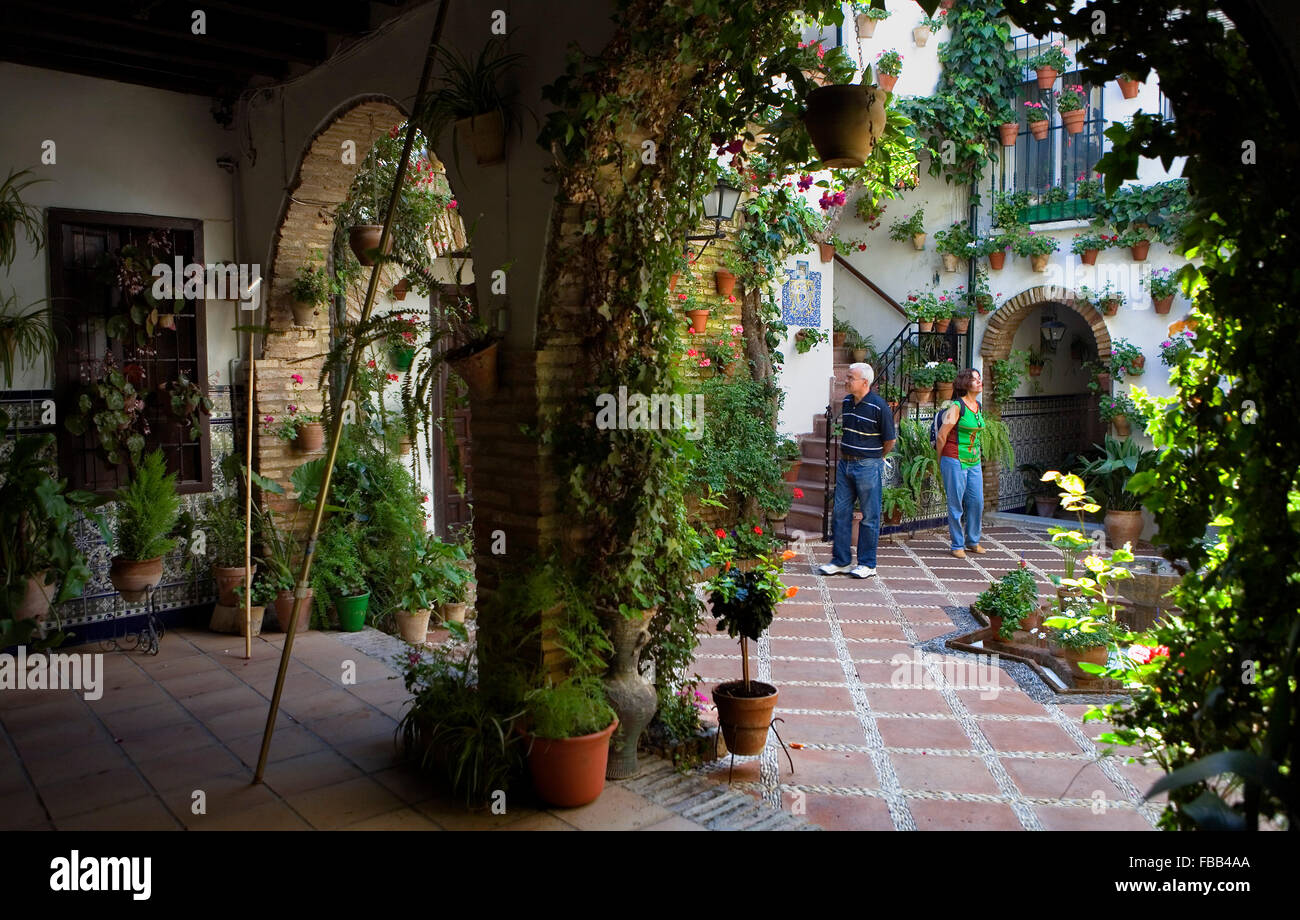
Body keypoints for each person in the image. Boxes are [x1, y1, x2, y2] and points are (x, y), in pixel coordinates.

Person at [820, 363, 896, 579]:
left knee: (869, 516)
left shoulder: (879, 407)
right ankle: (841, 561)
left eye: (850, 377)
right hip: (845, 464)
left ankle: (867, 564)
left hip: (868, 465)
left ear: (865, 382)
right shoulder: (846, 402)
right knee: (840, 512)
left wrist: (876, 456)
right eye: (847, 376)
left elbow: (889, 440)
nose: (846, 380)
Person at [936, 367, 987, 559]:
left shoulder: (978, 406)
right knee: (956, 503)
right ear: (966, 384)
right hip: (954, 459)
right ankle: (957, 544)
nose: (979, 382)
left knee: (976, 502)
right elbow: (942, 435)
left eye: (979, 379)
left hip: (973, 461)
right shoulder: (956, 406)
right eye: (975, 379)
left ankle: (972, 541)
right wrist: (940, 460)